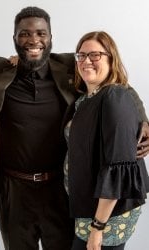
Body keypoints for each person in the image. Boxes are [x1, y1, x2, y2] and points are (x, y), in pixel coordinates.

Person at [0, 6, 149, 250]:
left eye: (41, 33)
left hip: (59, 188)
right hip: (13, 190)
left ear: (50, 38)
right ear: (14, 39)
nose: (33, 40)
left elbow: (120, 85)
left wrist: (144, 121)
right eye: (24, 34)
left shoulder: (71, 64)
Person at [65, 31, 149, 250]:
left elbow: (118, 168)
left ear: (111, 59)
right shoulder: (85, 99)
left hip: (106, 216)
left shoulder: (114, 97)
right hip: (88, 207)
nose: (86, 61)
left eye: (95, 55)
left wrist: (97, 227)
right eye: (81, 56)